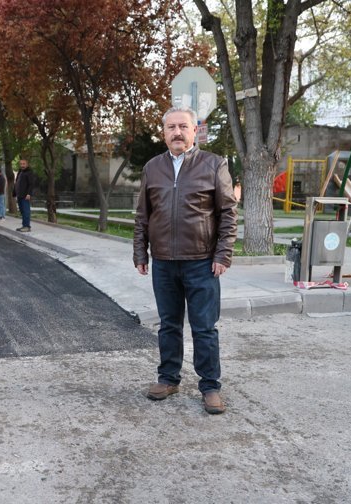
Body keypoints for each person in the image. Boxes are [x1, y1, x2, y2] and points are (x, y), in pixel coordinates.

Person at [133, 106, 237, 415]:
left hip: (202, 262)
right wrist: (141, 251)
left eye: (183, 126)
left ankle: (210, 386)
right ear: (163, 133)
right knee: (169, 325)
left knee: (205, 328)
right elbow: (143, 215)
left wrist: (223, 254)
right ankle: (168, 378)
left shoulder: (214, 164)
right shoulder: (152, 168)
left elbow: (228, 214)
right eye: (171, 127)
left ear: (195, 130)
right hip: (164, 262)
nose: (177, 132)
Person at [13, 158, 35, 232]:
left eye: (24, 164)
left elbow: (31, 184)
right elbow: (16, 183)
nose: (22, 165)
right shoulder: (20, 172)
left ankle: (27, 226)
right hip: (19, 195)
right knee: (22, 211)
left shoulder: (29, 172)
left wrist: (29, 194)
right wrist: (14, 192)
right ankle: (24, 225)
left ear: (27, 164)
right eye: (21, 164)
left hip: (25, 195)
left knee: (26, 211)